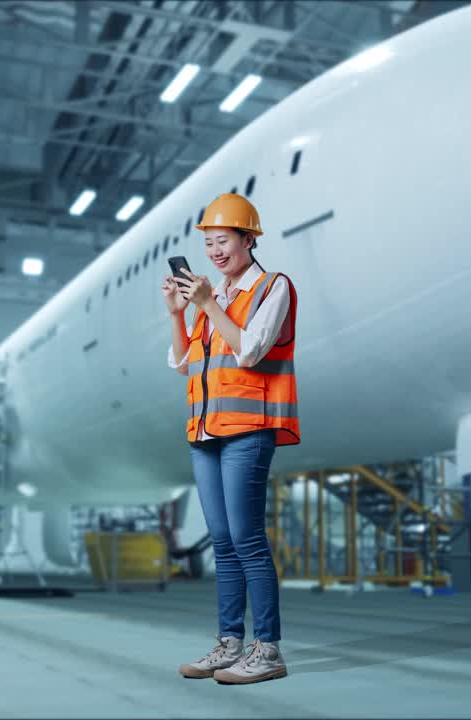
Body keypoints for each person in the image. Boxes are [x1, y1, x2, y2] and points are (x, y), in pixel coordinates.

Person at [160, 193, 300, 685]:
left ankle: (268, 649)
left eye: (223, 241)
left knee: (247, 540)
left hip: (247, 431)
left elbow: (250, 351)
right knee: (222, 542)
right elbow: (183, 364)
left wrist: (204, 303)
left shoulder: (271, 287)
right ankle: (230, 643)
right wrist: (180, 312)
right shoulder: (211, 296)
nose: (215, 251)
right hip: (205, 432)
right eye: (209, 243)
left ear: (249, 239)